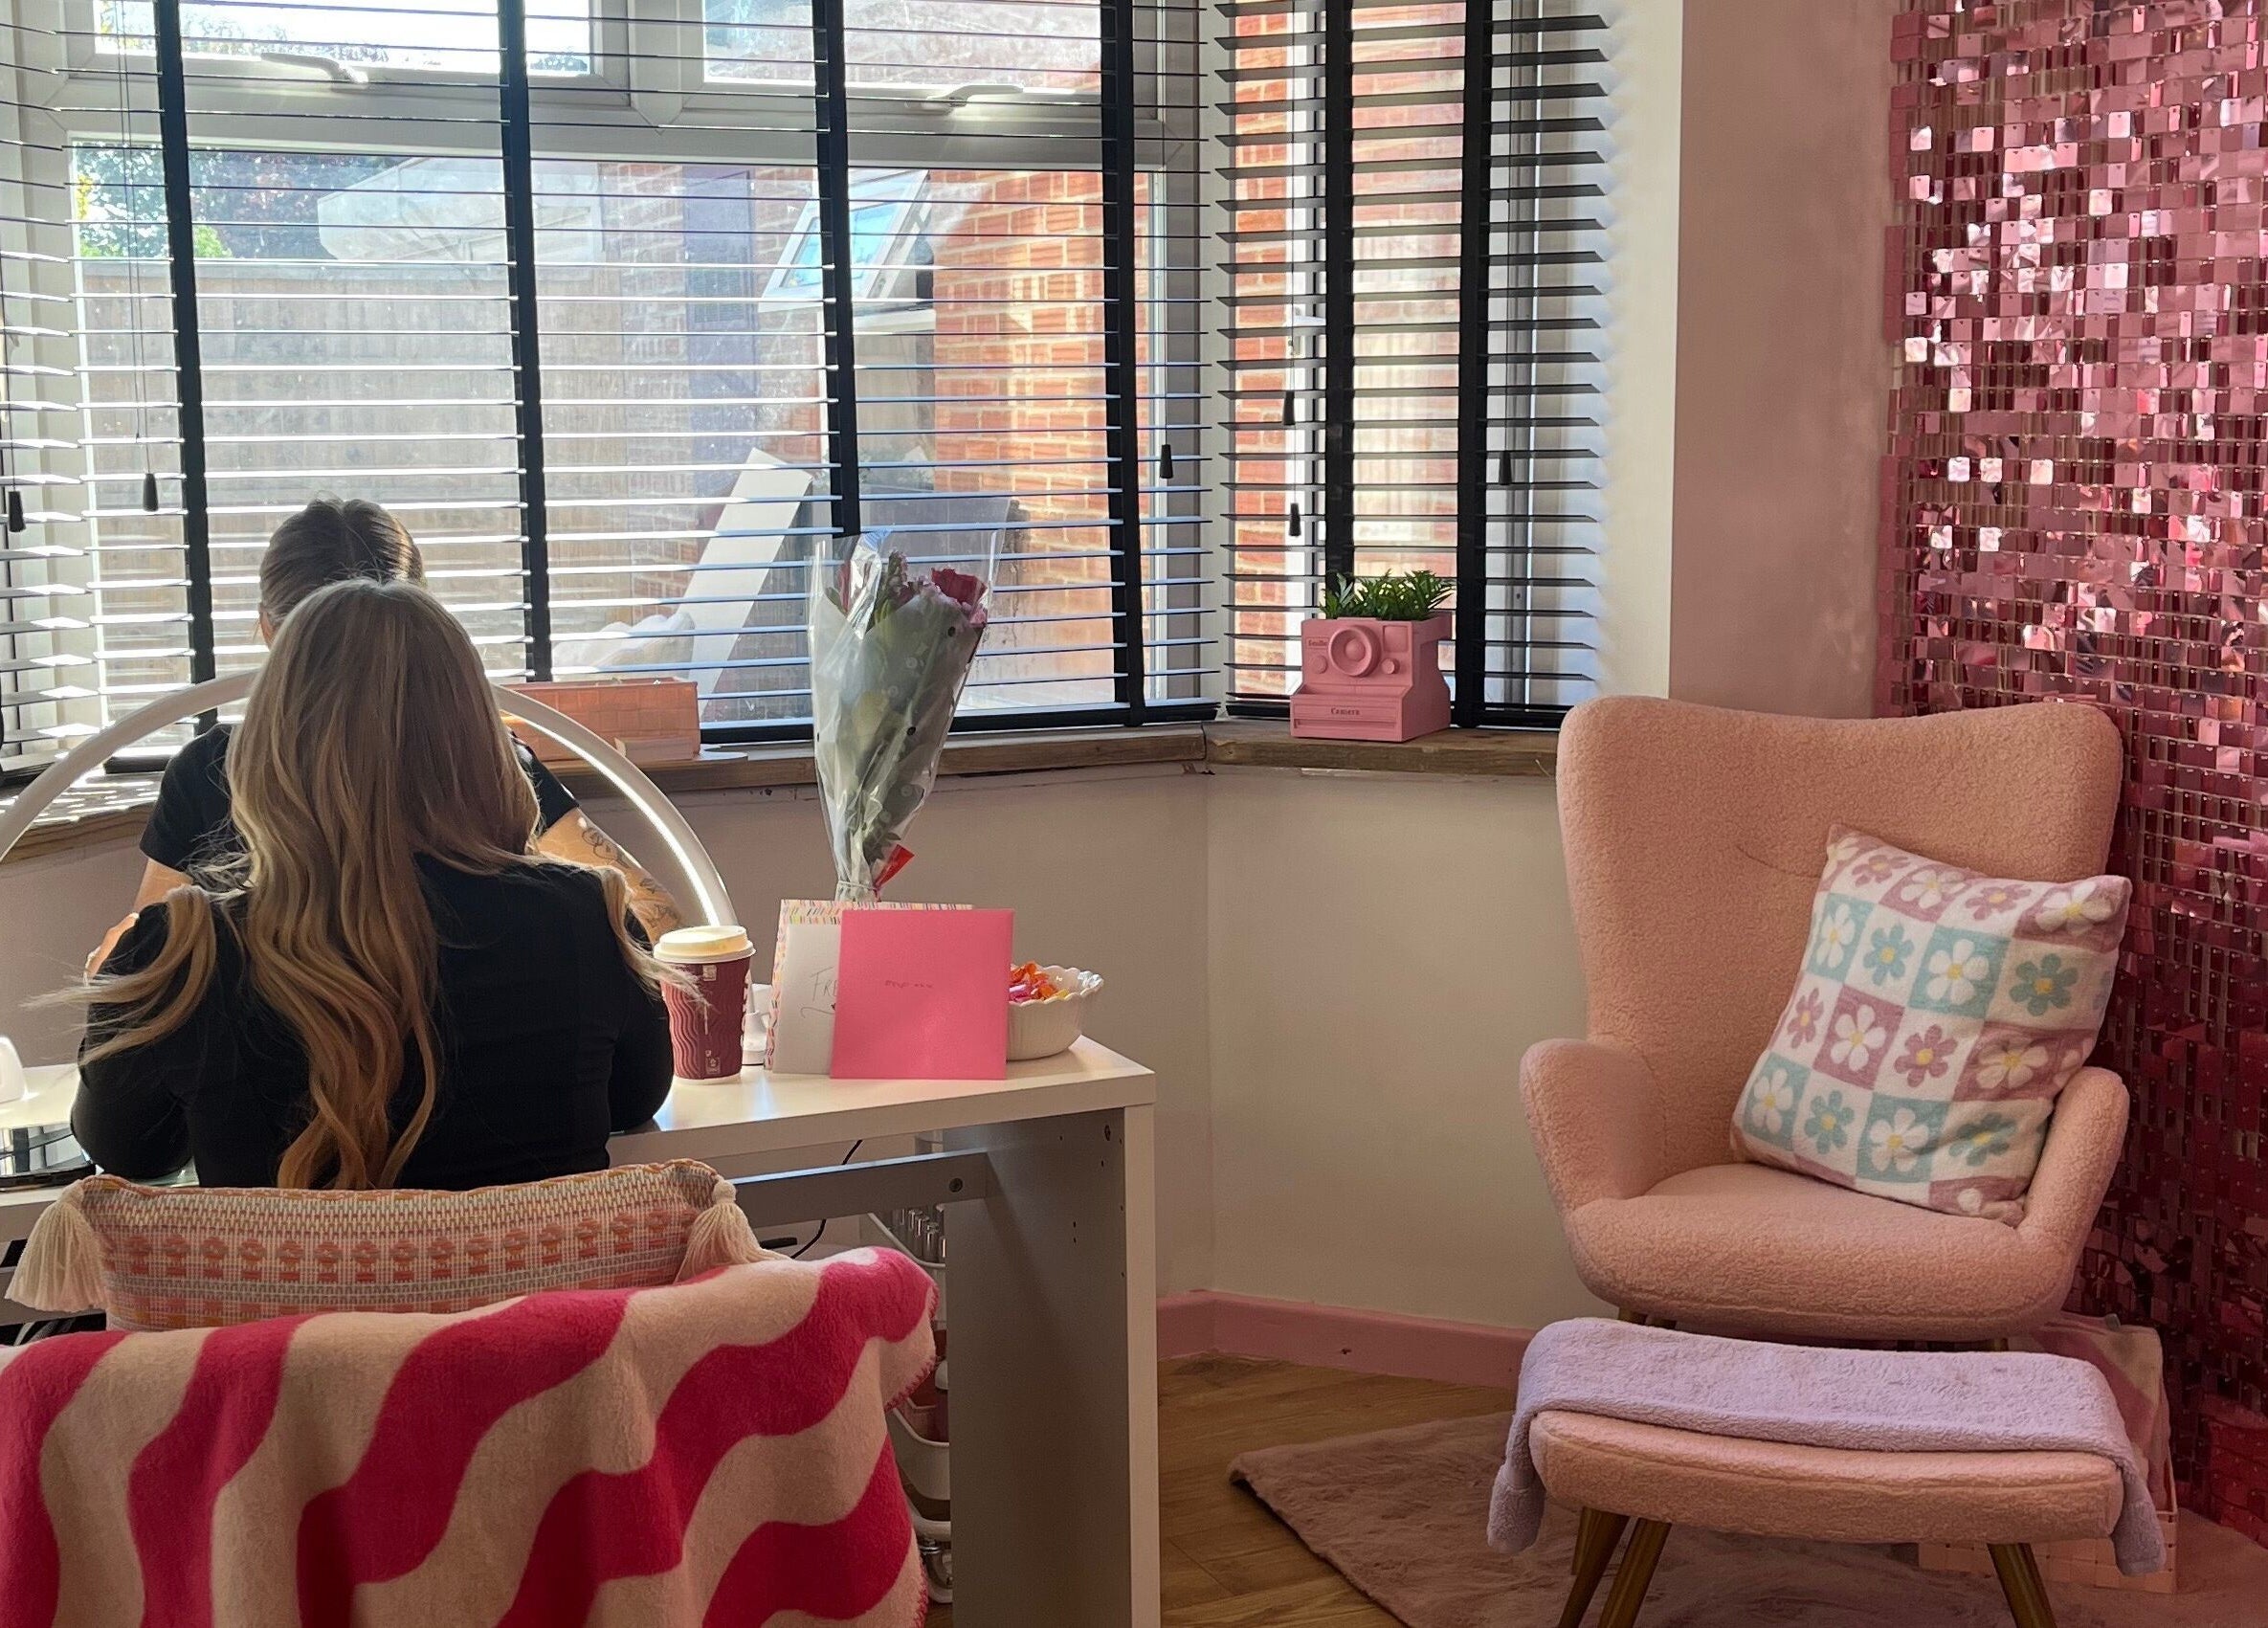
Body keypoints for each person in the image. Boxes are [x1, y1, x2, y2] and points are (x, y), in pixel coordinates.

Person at [73, 579, 677, 1190]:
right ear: (481, 739)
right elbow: (631, 1104)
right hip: (540, 1288)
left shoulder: (183, 950)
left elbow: (131, 1154)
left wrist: (119, 993)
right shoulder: (587, 918)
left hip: (291, 1288)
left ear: (269, 745)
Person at [91, 496, 681, 972]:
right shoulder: (479, 759)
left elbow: (145, 971)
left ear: (268, 631)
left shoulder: (211, 768)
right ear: (426, 629)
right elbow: (657, 919)